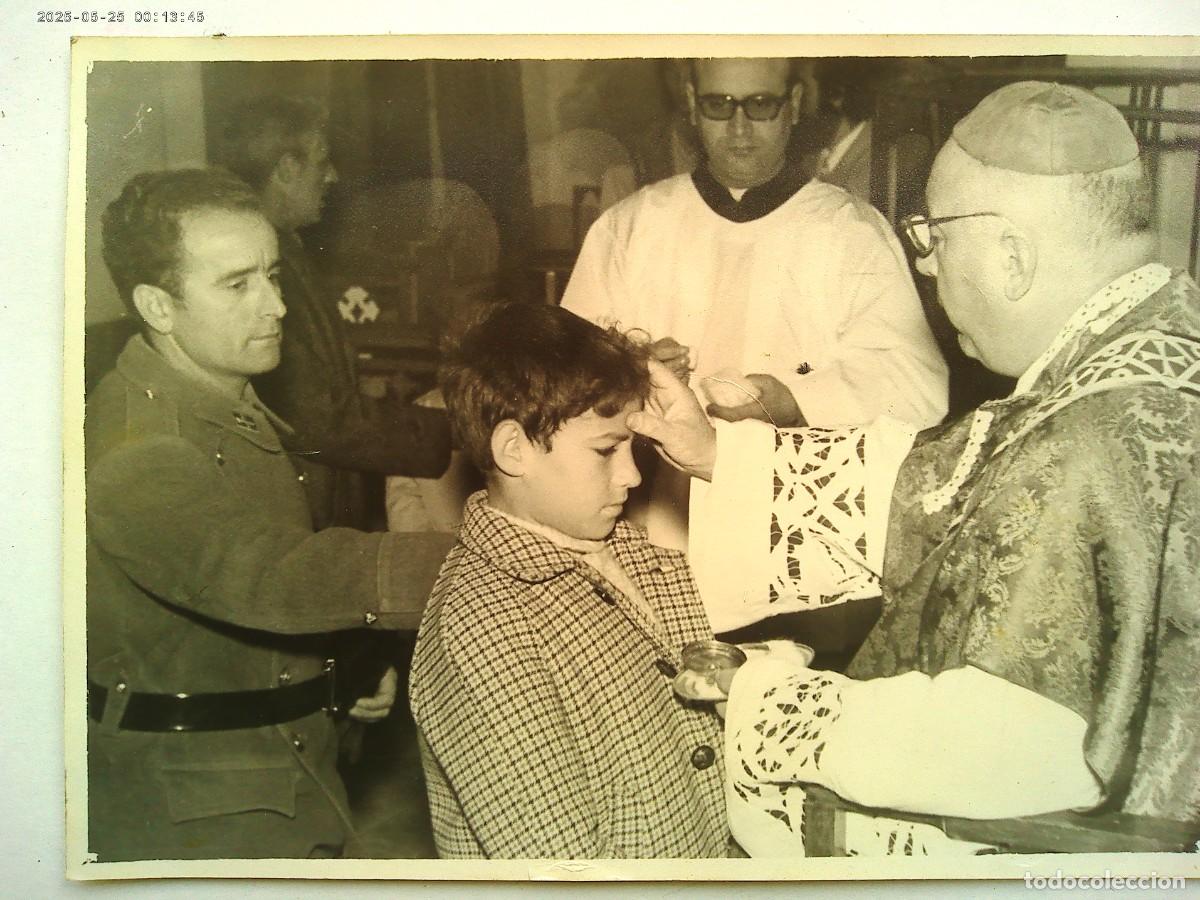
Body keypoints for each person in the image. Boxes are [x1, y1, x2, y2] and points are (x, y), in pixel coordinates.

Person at [629, 81, 1200, 855]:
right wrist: (715, 454)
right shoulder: (1150, 350)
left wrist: (760, 693)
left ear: (1013, 257)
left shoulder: (1090, 437)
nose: (927, 269)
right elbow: (947, 488)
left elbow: (1009, 749)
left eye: (933, 240)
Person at [86, 168, 457, 861]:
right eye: (238, 284)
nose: (277, 307)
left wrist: (340, 665)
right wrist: (483, 554)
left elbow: (210, 619)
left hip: (278, 777)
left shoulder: (223, 394)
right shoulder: (137, 444)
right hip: (197, 816)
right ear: (157, 306)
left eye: (273, 275)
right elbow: (266, 572)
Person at [561, 56, 948, 578]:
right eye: (720, 106)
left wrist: (794, 400)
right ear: (693, 108)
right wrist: (632, 372)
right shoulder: (630, 227)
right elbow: (561, 382)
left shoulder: (850, 230)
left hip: (799, 536)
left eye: (760, 105)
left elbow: (917, 391)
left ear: (792, 107)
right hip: (655, 533)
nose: (739, 128)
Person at [409, 302, 729, 859]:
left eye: (634, 449)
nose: (631, 475)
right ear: (514, 450)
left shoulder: (637, 551)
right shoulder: (482, 627)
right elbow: (557, 869)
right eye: (606, 450)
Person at [213, 95, 451, 532]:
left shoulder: (286, 249)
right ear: (286, 169)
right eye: (322, 160)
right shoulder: (269, 268)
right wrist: (454, 430)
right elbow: (315, 420)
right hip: (303, 512)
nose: (333, 175)